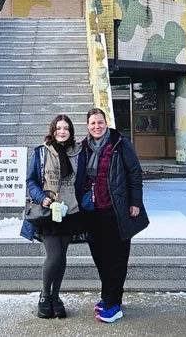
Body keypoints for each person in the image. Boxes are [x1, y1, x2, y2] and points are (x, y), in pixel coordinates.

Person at [80, 107, 149, 323]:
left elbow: (135, 172)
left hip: (116, 210)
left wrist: (135, 202)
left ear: (106, 122)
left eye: (100, 122)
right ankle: (107, 295)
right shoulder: (83, 147)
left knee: (116, 258)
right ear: (88, 126)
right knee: (100, 256)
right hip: (92, 211)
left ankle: (114, 303)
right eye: (92, 123)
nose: (96, 126)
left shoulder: (120, 143)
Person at [20, 114, 87, 319]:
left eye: (66, 128)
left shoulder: (79, 153)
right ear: (53, 130)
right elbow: (30, 180)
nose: (62, 131)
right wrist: (42, 198)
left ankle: (56, 297)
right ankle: (45, 295)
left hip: (70, 211)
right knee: (54, 256)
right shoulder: (42, 152)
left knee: (62, 257)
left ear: (71, 131)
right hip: (48, 212)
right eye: (58, 128)